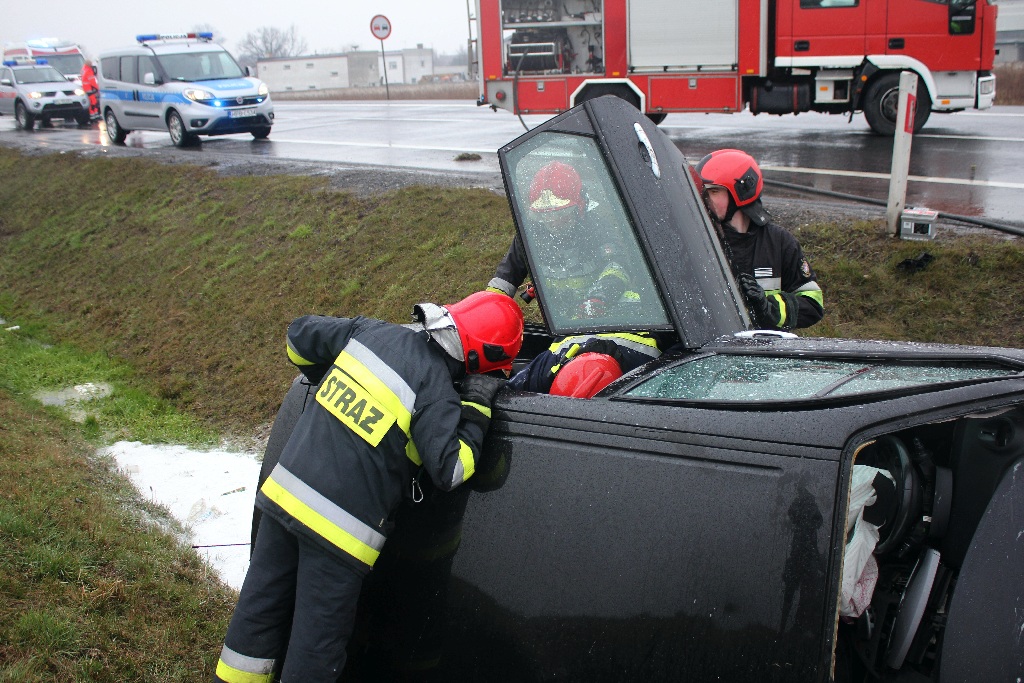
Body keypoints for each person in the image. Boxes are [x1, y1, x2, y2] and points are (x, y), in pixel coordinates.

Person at [214, 291, 524, 683]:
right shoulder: (438, 394)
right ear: (485, 361)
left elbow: (298, 339)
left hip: (281, 500)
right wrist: (477, 406)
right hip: (337, 537)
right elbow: (452, 471)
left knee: (255, 621)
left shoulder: (372, 333)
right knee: (314, 650)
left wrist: (329, 377)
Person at [487, 160, 661, 395]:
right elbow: (502, 283)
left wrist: (598, 300)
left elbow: (618, 267)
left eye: (561, 213)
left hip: (614, 320)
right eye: (544, 215)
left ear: (580, 205)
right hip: (567, 328)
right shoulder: (528, 237)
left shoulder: (598, 227)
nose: (552, 222)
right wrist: (486, 316)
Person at [695, 149, 824, 331]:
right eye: (702, 192)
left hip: (766, 352)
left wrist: (769, 308)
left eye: (714, 191)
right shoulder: (699, 241)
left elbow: (813, 304)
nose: (704, 199)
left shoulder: (779, 243)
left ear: (741, 192)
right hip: (715, 350)